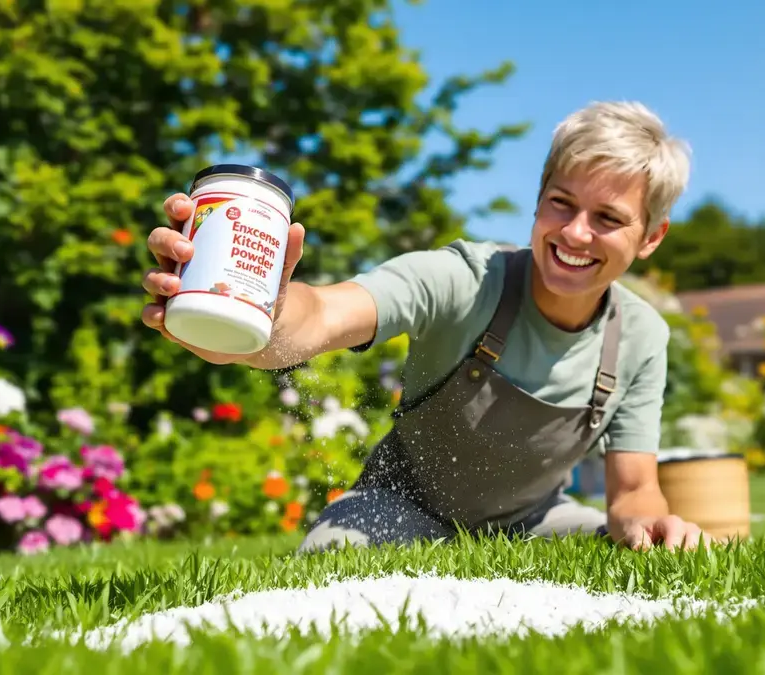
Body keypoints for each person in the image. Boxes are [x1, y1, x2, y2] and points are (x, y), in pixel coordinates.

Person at [141, 100, 708, 553]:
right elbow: (323, 315)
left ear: (652, 236)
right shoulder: (464, 278)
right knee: (332, 558)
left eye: (608, 218)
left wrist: (651, 528)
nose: (576, 234)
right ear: (539, 200)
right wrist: (250, 318)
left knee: (615, 554)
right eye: (562, 203)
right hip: (398, 507)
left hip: (536, 522)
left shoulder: (640, 336)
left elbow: (634, 492)